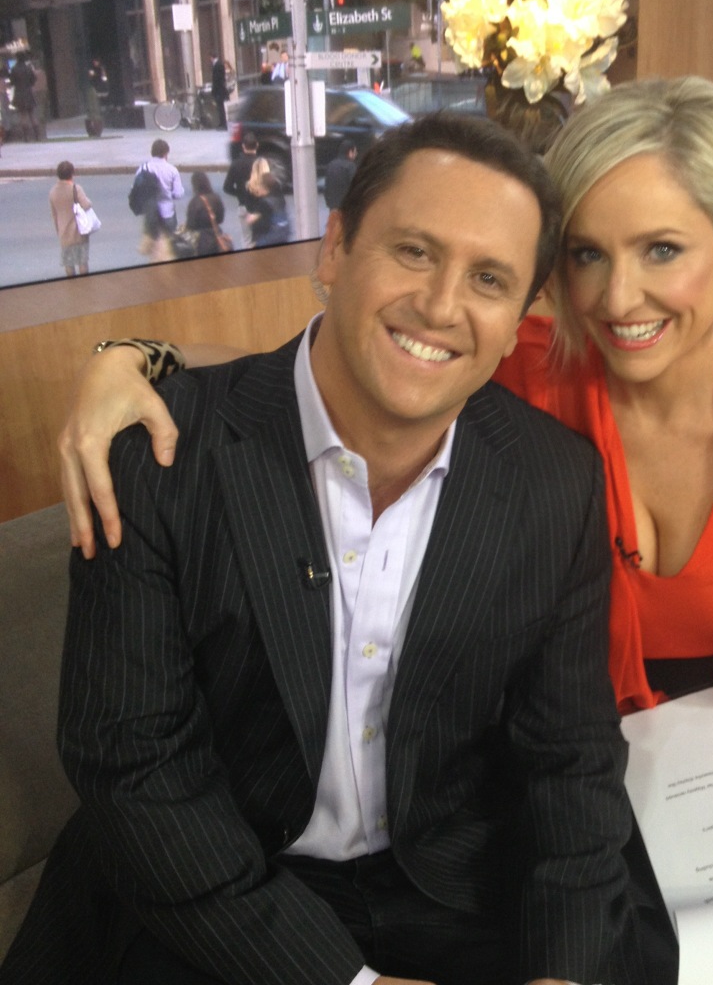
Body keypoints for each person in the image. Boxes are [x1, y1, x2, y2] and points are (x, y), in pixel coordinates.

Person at [56, 77, 713, 983]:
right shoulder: (518, 368)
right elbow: (332, 368)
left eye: (661, 249)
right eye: (587, 255)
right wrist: (133, 360)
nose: (619, 298)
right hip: (436, 813)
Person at [2, 113, 633, 985]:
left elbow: (571, 761)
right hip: (202, 889)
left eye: (489, 279)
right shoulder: (160, 454)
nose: (441, 306)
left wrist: (563, 972)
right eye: (413, 251)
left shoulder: (554, 481)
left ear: (520, 316)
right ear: (335, 249)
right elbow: (133, 767)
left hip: (446, 890)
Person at [136, 137, 185, 260]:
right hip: (168, 213)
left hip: (150, 212)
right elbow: (178, 194)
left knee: (154, 248)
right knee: (169, 248)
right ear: (166, 153)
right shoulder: (172, 170)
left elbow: (137, 189)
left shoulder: (143, 168)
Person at [48, 160, 91, 277]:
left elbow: (54, 215)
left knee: (68, 263)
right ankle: (84, 284)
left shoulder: (53, 192)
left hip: (64, 233)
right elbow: (86, 205)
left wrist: (59, 231)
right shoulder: (76, 189)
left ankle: (71, 284)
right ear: (72, 173)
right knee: (82, 261)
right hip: (79, 232)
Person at [223, 130, 260, 246]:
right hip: (259, 206)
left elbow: (227, 187)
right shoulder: (260, 163)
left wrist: (239, 193)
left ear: (243, 146)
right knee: (261, 238)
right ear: (257, 145)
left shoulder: (236, 164)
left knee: (247, 239)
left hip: (243, 205)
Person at [246, 157, 290, 247]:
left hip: (263, 235)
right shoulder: (275, 187)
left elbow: (251, 210)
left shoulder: (250, 187)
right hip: (278, 235)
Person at [183, 170, 227, 257]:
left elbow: (190, 225)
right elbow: (221, 219)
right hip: (217, 235)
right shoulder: (216, 198)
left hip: (202, 240)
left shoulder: (194, 202)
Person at [9, 52, 39, 142]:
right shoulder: (28, 68)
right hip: (29, 92)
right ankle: (37, 135)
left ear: (17, 58)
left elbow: (12, 82)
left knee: (23, 115)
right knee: (32, 115)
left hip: (19, 93)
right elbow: (34, 80)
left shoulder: (14, 69)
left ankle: (26, 137)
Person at [324, 137, 358, 213]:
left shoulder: (331, 165)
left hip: (333, 208)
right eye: (355, 152)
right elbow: (355, 187)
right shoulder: (351, 166)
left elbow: (326, 187)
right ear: (350, 152)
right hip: (347, 208)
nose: (356, 155)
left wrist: (330, 204)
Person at [210, 53, 231, 129]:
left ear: (212, 57)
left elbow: (216, 79)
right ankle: (222, 123)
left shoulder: (217, 65)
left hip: (219, 90)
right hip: (220, 89)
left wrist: (214, 90)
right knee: (220, 107)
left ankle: (223, 124)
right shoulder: (219, 64)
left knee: (220, 107)